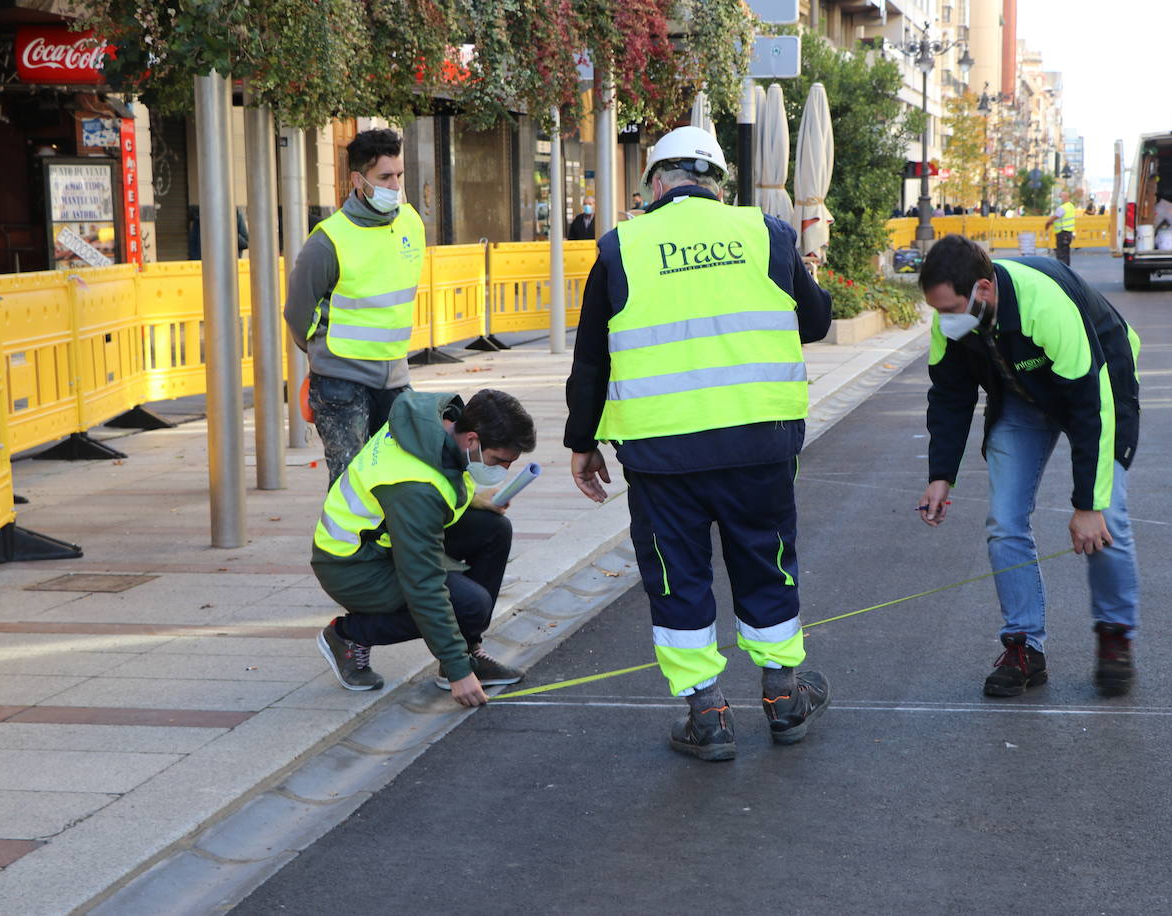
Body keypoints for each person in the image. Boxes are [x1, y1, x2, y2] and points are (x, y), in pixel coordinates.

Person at [565, 125, 834, 762]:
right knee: (766, 563)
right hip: (758, 442)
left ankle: (708, 716)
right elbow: (818, 322)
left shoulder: (620, 247)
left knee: (676, 575)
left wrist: (583, 442)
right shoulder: (766, 234)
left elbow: (591, 362)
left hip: (662, 455)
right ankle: (782, 698)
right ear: (717, 182)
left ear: (655, 183)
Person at [915, 234, 1142, 699]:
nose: (945, 321)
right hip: (1021, 396)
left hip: (1097, 387)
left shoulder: (1046, 305)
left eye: (951, 309)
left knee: (1107, 518)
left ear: (984, 288)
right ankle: (1024, 647)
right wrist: (941, 474)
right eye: (937, 311)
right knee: (1004, 519)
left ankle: (1115, 632)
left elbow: (1089, 409)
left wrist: (1087, 505)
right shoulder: (952, 321)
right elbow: (950, 397)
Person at [313, 388, 536, 706]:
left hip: (382, 541)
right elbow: (423, 583)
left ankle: (466, 651)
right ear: (472, 439)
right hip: (351, 566)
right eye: (499, 460)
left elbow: (440, 478)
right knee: (469, 606)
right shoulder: (413, 488)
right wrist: (461, 675)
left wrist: (474, 498)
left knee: (493, 530)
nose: (503, 469)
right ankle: (348, 635)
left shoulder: (436, 423)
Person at [284, 128, 426, 485]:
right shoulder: (329, 239)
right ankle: (342, 543)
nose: (394, 186)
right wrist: (322, 353)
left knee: (400, 477)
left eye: (398, 176)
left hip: (395, 377)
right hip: (341, 382)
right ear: (358, 180)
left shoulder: (411, 223)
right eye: (384, 177)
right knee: (351, 483)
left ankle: (383, 543)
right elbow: (297, 311)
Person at [1043, 190, 1076, 266]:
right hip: (1068, 233)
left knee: (1061, 254)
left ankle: (1062, 271)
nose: (1059, 198)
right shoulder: (1071, 206)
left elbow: (1055, 217)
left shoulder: (1062, 208)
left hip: (1062, 233)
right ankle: (1067, 269)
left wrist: (1047, 224)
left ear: (1065, 197)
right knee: (1066, 253)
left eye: (1060, 197)